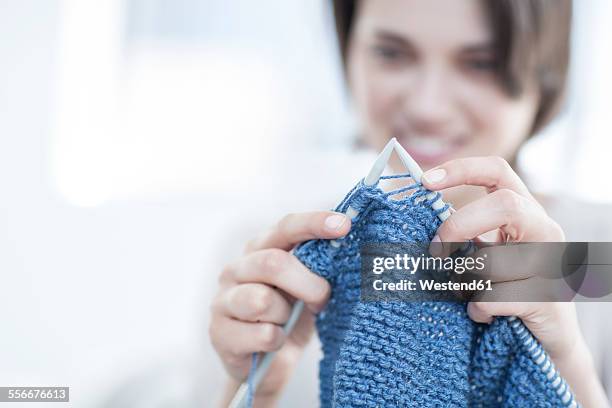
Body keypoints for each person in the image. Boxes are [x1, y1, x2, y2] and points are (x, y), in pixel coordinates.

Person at [209, 0, 611, 406]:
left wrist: (567, 361)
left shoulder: (600, 258)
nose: (427, 107)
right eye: (391, 53)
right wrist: (255, 388)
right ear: (348, 50)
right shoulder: (271, 266)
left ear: (544, 73)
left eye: (481, 63)